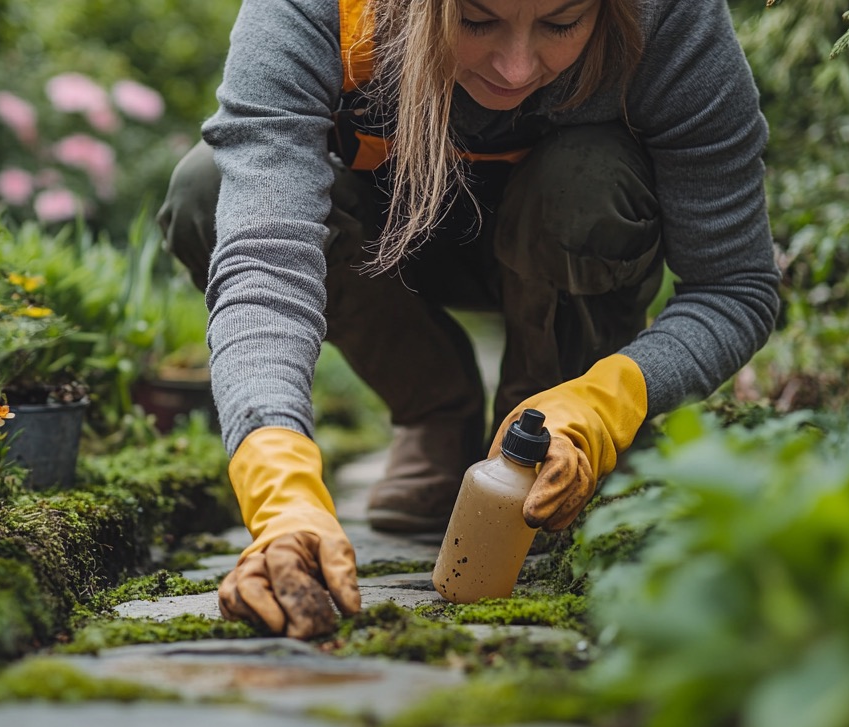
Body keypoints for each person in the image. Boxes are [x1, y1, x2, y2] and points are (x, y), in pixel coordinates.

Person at [157, 0, 781, 639]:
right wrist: (278, 488)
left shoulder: (668, 17)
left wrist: (602, 404)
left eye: (561, 24)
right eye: (478, 21)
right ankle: (434, 414)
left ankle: (538, 435)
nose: (514, 68)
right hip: (385, 247)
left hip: (571, 236)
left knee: (585, 179)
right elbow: (266, 265)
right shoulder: (319, 10)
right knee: (207, 194)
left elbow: (733, 285)